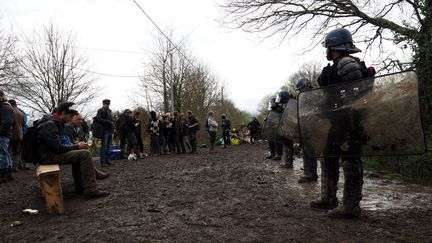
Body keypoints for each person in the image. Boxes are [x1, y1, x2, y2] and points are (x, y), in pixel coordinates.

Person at [309, 28, 366, 218]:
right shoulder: (337, 65)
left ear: (333, 46)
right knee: (329, 157)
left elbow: (355, 93)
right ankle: (328, 198)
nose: (326, 51)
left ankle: (350, 206)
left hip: (348, 122)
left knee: (350, 161)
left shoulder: (347, 64)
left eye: (328, 47)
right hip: (337, 121)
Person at [36, 102, 109, 198]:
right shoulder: (50, 124)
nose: (70, 119)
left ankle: (80, 186)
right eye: (70, 116)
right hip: (47, 156)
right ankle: (91, 189)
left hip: (49, 153)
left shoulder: (55, 122)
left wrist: (75, 145)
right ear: (62, 113)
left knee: (79, 154)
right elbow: (57, 147)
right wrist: (77, 146)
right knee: (84, 154)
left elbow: (59, 143)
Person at [64, 112, 109, 193]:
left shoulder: (73, 127)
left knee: (81, 152)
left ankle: (80, 184)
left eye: (82, 119)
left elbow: (70, 141)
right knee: (83, 153)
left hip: (64, 149)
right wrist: (78, 144)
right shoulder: (69, 127)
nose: (81, 121)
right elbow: (68, 142)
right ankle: (89, 185)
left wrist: (78, 143)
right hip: (58, 152)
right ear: (71, 118)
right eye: (78, 119)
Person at [295, 78, 318, 183]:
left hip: (311, 126)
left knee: (308, 152)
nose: (300, 91)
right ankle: (312, 174)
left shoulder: (311, 96)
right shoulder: (315, 94)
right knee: (310, 152)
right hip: (311, 126)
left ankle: (309, 174)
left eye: (301, 89)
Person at [274, 91, 295, 168]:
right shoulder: (284, 105)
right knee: (286, 146)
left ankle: (289, 163)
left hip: (289, 129)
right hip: (285, 128)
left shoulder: (289, 105)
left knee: (288, 146)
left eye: (280, 97)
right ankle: (286, 162)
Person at [8, 100, 29, 171]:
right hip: (19, 135)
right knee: (17, 152)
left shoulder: (9, 111)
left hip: (10, 134)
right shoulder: (21, 113)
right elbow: (24, 124)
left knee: (7, 151)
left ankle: (8, 167)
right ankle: (15, 167)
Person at [0, 91, 14, 183]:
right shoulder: (5, 106)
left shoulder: (4, 107)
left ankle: (2, 175)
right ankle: (8, 173)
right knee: (6, 153)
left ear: (1, 96)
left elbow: (7, 122)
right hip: (6, 134)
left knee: (3, 154)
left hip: (3, 134)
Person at [95, 99, 114, 167]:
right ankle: (103, 162)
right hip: (104, 131)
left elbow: (111, 120)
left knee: (108, 147)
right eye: (106, 103)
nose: (108, 105)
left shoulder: (110, 111)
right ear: (103, 104)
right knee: (104, 147)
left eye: (108, 103)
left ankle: (107, 160)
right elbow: (98, 119)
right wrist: (108, 122)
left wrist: (112, 125)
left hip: (109, 130)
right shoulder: (100, 110)